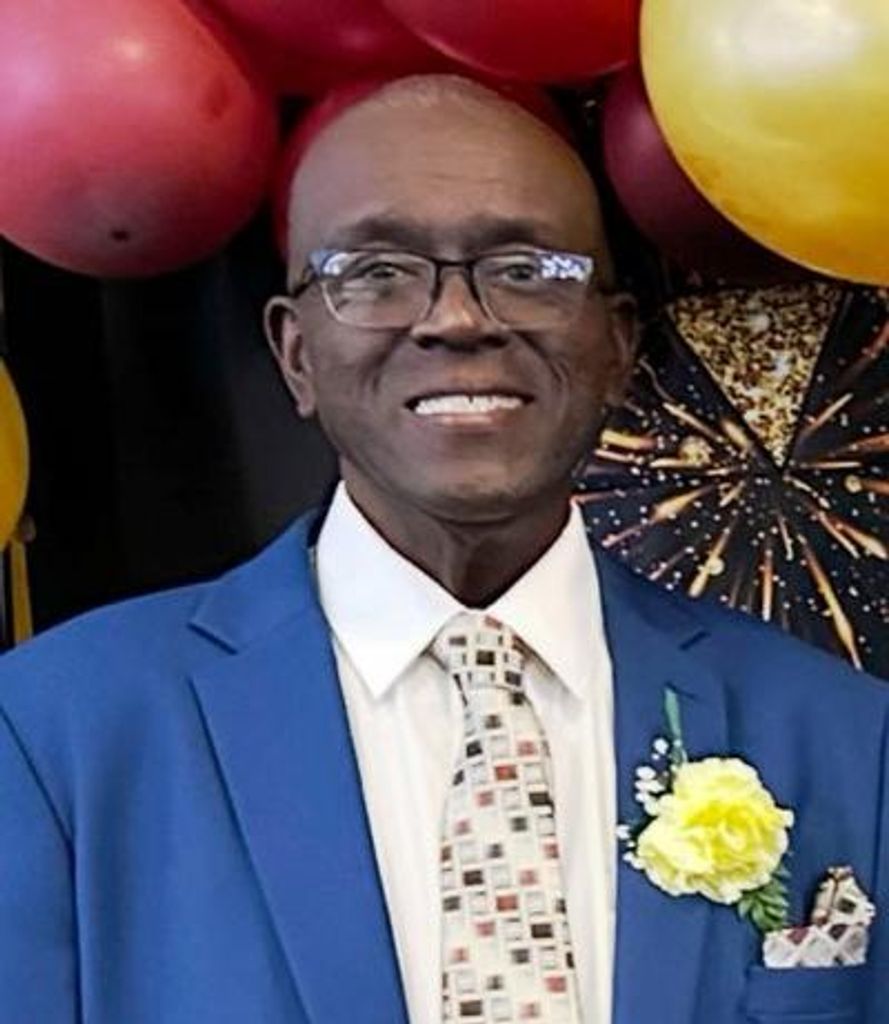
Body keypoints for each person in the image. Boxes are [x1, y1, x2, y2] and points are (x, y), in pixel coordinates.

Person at [0, 74, 886, 1024]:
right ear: (296, 355)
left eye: (525, 270)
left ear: (616, 345)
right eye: (377, 272)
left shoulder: (839, 734)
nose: (458, 318)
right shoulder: (58, 732)